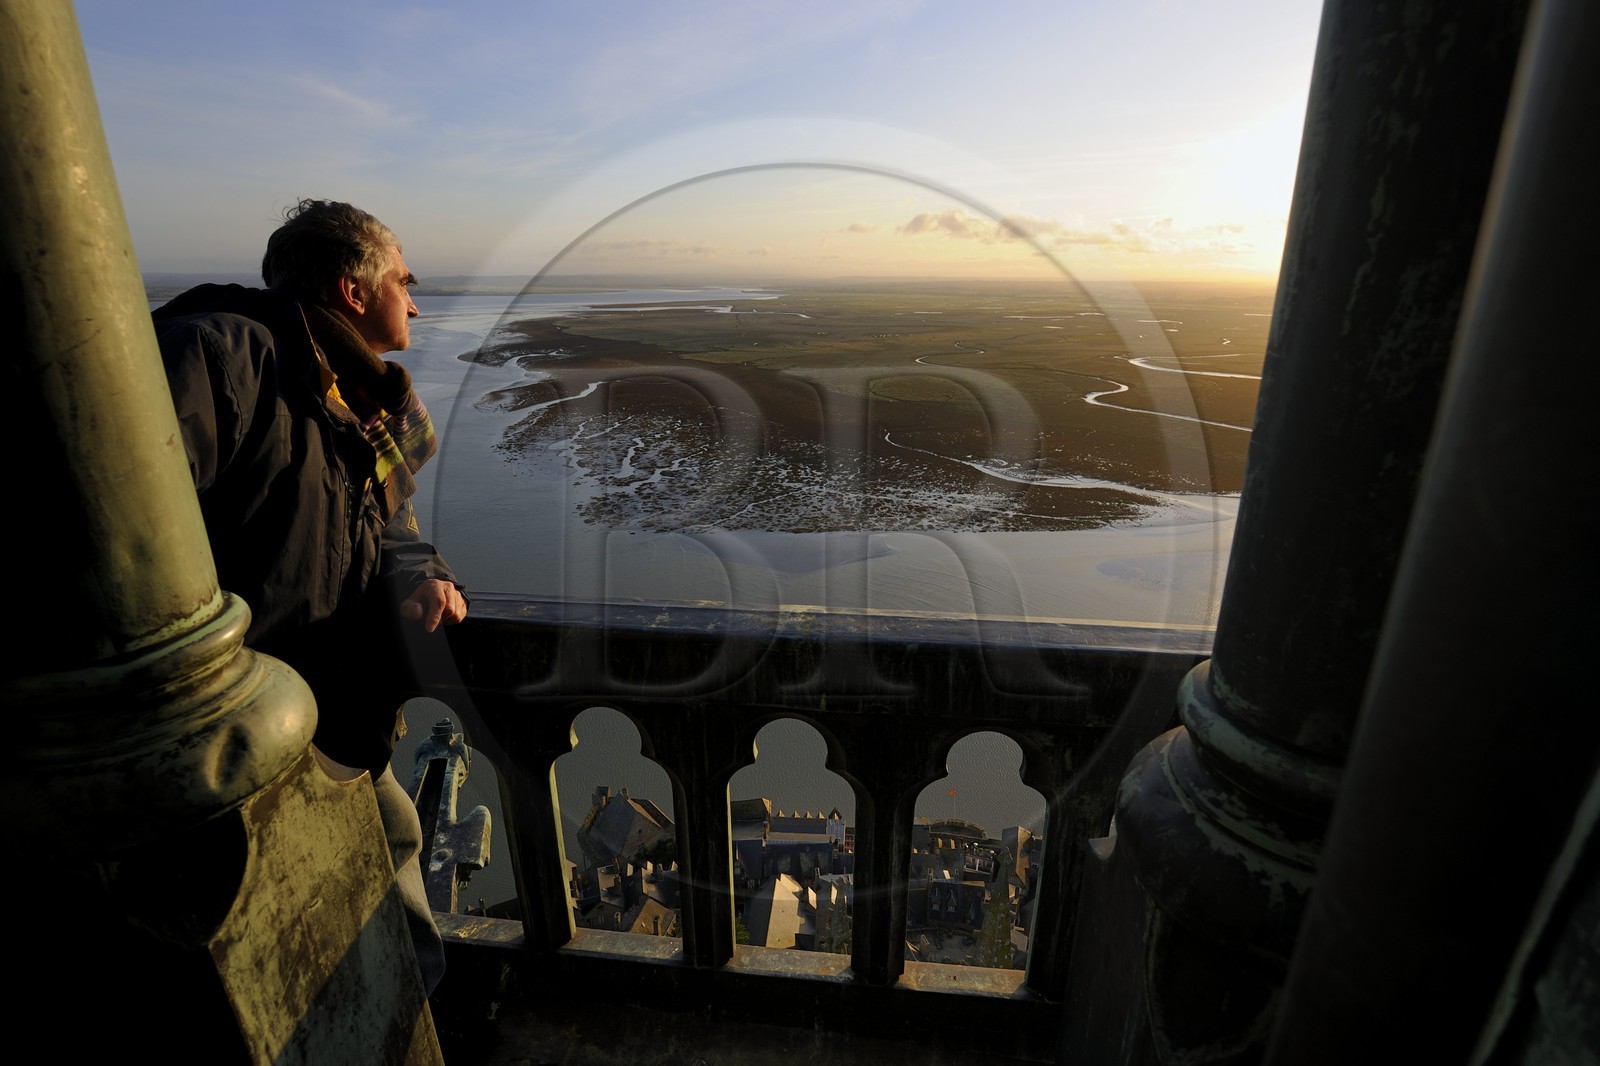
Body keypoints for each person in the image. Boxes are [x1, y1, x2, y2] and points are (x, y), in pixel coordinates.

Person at [152, 198, 467, 995]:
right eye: (405, 280)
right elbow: (118, 528)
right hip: (237, 743)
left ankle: (408, 1029)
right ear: (354, 292)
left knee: (393, 869)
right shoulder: (220, 356)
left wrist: (422, 571)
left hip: (334, 722)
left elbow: (386, 522)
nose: (417, 301)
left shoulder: (353, 396)